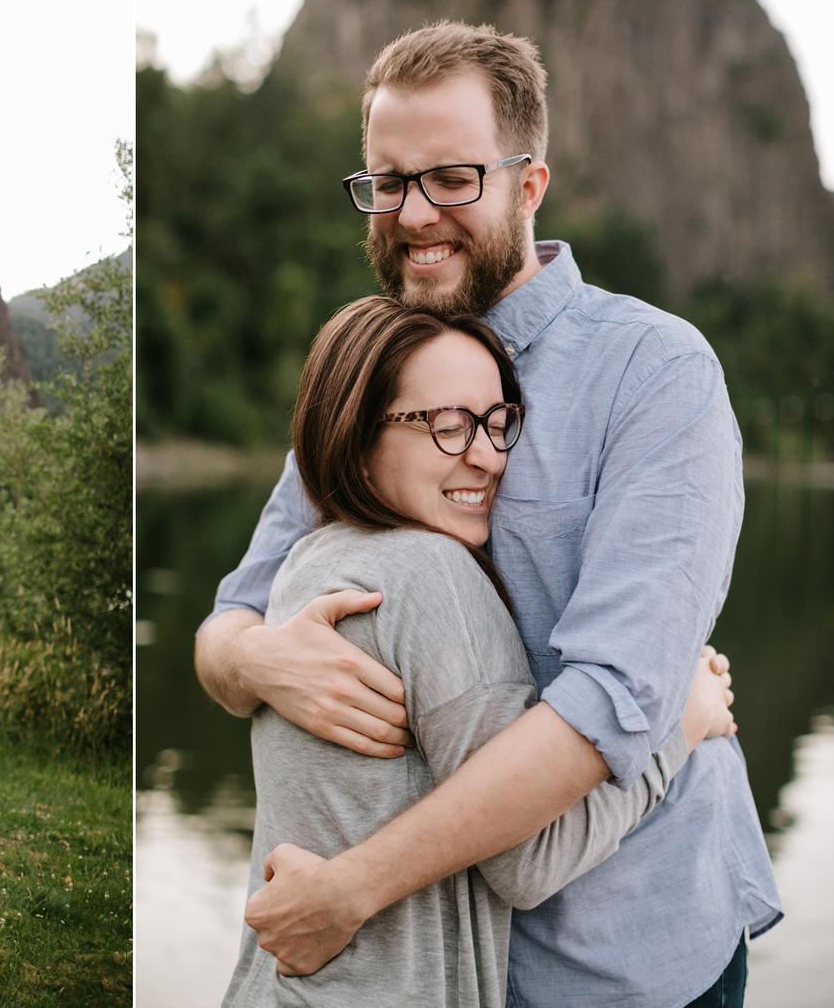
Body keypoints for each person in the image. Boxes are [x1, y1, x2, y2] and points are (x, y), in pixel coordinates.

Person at [195, 22, 780, 1006]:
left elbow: (609, 708)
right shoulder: (370, 382)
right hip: (427, 967)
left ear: (528, 186)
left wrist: (350, 888)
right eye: (387, 181)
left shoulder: (655, 372)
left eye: (451, 177)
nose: (414, 212)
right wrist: (255, 659)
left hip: (618, 962)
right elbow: (226, 626)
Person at [223, 296, 736, 1006]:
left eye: (498, 424)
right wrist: (684, 719)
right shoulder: (435, 581)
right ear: (359, 435)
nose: (488, 455)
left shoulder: (307, 561)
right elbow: (531, 860)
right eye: (446, 425)